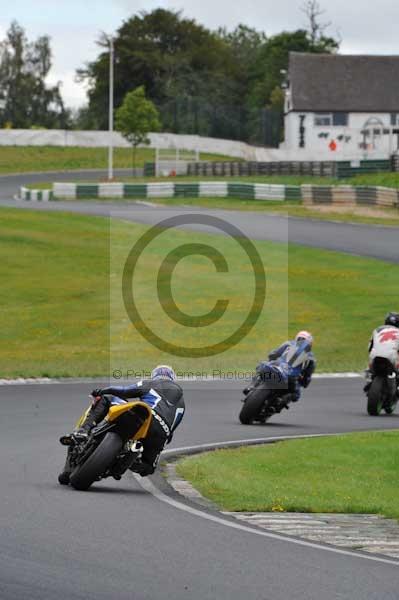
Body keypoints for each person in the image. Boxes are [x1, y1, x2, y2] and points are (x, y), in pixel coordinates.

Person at [59, 365, 185, 484]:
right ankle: (128, 461)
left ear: (155, 376)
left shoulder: (153, 382)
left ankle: (83, 431)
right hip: (161, 434)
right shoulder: (182, 404)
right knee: (147, 468)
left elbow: (125, 391)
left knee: (108, 397)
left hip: (148, 415)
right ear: (172, 378)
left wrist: (101, 391)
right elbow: (171, 434)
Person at [244, 331, 316, 403]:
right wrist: (303, 382)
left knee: (261, 366)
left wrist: (271, 359)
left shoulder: (289, 343)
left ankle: (251, 386)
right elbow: (307, 378)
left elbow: (274, 354)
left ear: (297, 338)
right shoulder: (311, 357)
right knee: (296, 395)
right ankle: (281, 401)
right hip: (290, 379)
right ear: (309, 343)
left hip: (277, 368)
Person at [364, 312, 399, 394]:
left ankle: (369, 381)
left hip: (375, 355)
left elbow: (369, 347)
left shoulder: (377, 329)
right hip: (391, 357)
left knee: (369, 368)